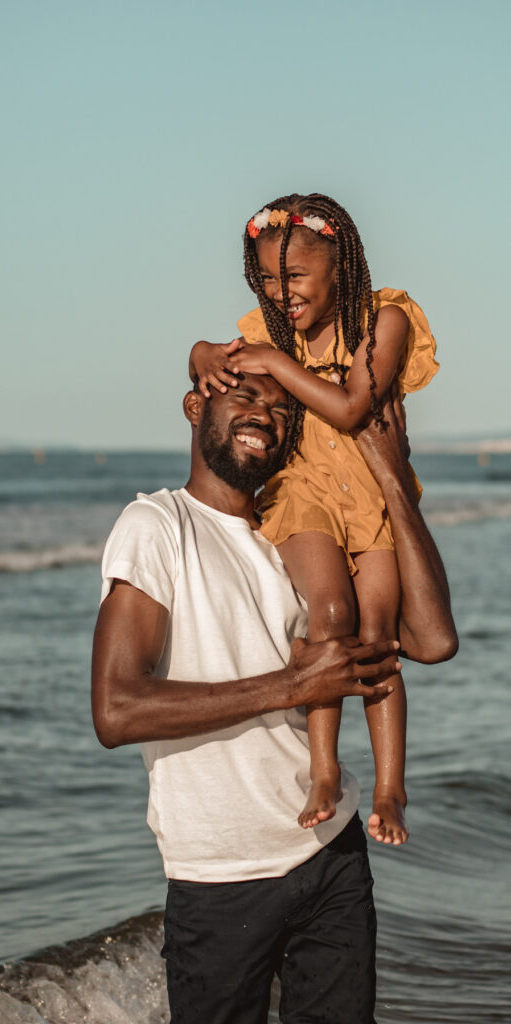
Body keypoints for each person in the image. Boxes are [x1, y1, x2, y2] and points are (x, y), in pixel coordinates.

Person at [91, 371, 456, 1024]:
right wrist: (293, 686)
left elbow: (429, 642)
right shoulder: (156, 525)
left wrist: (391, 473)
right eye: (245, 396)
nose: (266, 412)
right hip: (221, 875)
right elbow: (116, 710)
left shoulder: (300, 539)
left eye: (283, 408)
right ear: (195, 405)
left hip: (334, 858)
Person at [190, 192, 440, 845]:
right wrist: (199, 353)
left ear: (340, 264)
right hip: (301, 490)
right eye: (267, 280)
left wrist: (275, 362)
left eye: (294, 277)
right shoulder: (265, 330)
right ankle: (322, 768)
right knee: (329, 614)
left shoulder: (385, 320)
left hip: (372, 493)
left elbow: (356, 406)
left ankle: (390, 786)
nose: (281, 293)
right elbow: (207, 359)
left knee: (379, 635)